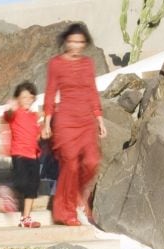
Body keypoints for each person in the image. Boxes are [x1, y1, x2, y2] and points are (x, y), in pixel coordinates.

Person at [42, 23, 107, 226]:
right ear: (66, 42)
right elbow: (50, 93)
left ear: (85, 43)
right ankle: (65, 211)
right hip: (66, 122)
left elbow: (92, 91)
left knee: (91, 162)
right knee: (70, 165)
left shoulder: (88, 63)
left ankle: (77, 193)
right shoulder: (56, 64)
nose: (76, 46)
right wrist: (47, 122)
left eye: (80, 42)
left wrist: (99, 119)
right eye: (72, 41)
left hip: (86, 121)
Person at [0, 82, 44, 228]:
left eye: (30, 97)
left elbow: (38, 135)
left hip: (34, 155)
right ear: (18, 99)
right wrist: (11, 107)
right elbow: (7, 116)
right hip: (19, 153)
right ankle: (7, 189)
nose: (27, 100)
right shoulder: (15, 113)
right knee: (22, 182)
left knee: (33, 187)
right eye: (24, 97)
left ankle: (26, 219)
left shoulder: (33, 116)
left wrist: (44, 132)